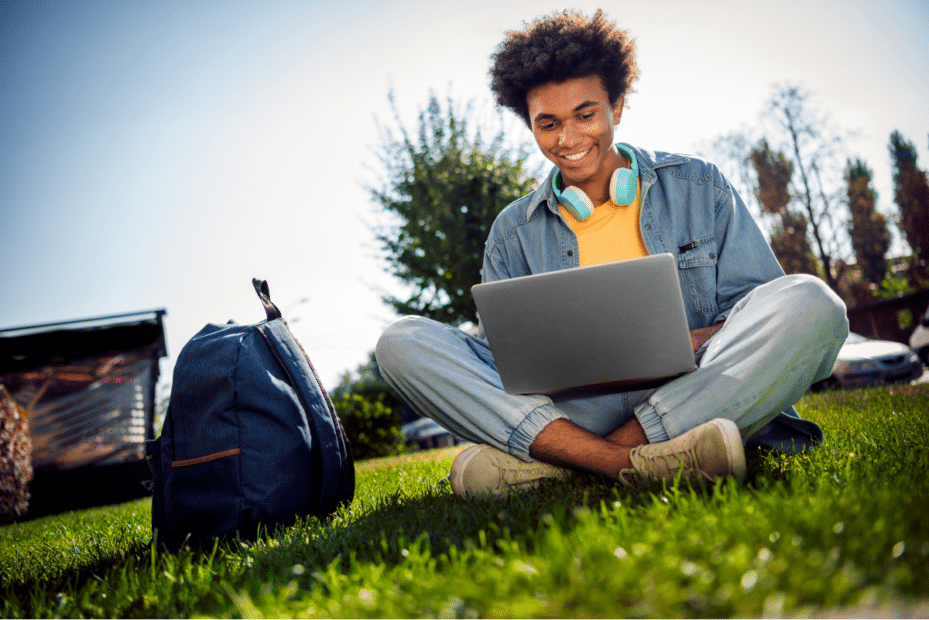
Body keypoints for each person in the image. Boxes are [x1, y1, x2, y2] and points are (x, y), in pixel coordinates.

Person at [375, 9, 848, 498]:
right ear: (531, 126)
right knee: (400, 342)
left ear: (617, 107)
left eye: (586, 114)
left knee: (814, 303)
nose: (570, 139)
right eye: (549, 124)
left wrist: (691, 339)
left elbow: (758, 310)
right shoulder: (510, 234)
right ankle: (637, 460)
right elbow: (509, 365)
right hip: (575, 409)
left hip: (692, 388)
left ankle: (571, 462)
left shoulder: (699, 186)